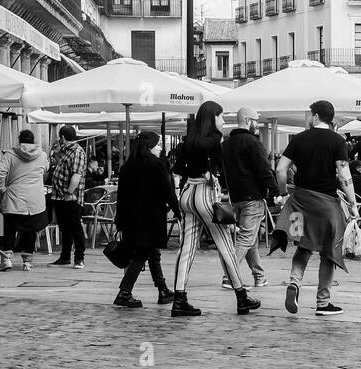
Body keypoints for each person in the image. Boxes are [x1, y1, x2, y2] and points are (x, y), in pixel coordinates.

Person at [274, 100, 356, 316]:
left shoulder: (298, 139)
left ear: (316, 116)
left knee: (302, 246)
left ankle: (294, 283)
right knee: (329, 252)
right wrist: (353, 203)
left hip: (297, 205)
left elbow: (280, 170)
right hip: (326, 206)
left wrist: (283, 195)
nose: (308, 118)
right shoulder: (338, 141)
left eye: (310, 115)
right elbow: (344, 174)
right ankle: (323, 303)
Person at [169, 101, 250, 317]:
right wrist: (207, 173)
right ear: (212, 118)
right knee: (226, 246)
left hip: (187, 194)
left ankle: (179, 298)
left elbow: (177, 168)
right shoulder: (214, 138)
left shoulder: (188, 141)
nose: (223, 121)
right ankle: (241, 296)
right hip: (204, 195)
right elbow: (219, 165)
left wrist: (196, 170)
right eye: (221, 117)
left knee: (186, 249)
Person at [112, 131, 180, 308]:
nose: (160, 148)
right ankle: (124, 293)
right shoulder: (155, 165)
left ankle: (163, 289)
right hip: (150, 219)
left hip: (131, 220)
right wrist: (178, 211)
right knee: (142, 254)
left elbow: (122, 196)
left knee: (152, 253)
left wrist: (119, 220)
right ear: (149, 147)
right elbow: (168, 192)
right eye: (157, 145)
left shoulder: (128, 166)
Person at [219, 106, 279, 307]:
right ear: (247, 120)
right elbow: (263, 169)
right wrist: (276, 191)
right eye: (255, 120)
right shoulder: (253, 142)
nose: (258, 123)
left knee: (249, 237)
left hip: (235, 197)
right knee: (246, 237)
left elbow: (222, 170)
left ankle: (259, 275)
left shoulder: (225, 144)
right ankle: (230, 276)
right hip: (253, 196)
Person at [0, 129, 49, 272]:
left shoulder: (10, 155)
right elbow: (46, 168)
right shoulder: (42, 155)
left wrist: (2, 190)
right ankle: (27, 263)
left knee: (9, 228)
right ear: (33, 140)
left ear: (19, 140)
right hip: (34, 200)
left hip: (14, 197)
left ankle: (6, 260)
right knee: (30, 229)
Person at [47, 125, 87, 269]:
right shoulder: (65, 151)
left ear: (62, 137)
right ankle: (64, 257)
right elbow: (62, 168)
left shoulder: (77, 152)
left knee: (75, 227)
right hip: (59, 197)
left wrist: (69, 193)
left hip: (70, 197)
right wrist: (57, 153)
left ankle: (79, 258)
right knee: (65, 228)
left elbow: (76, 176)